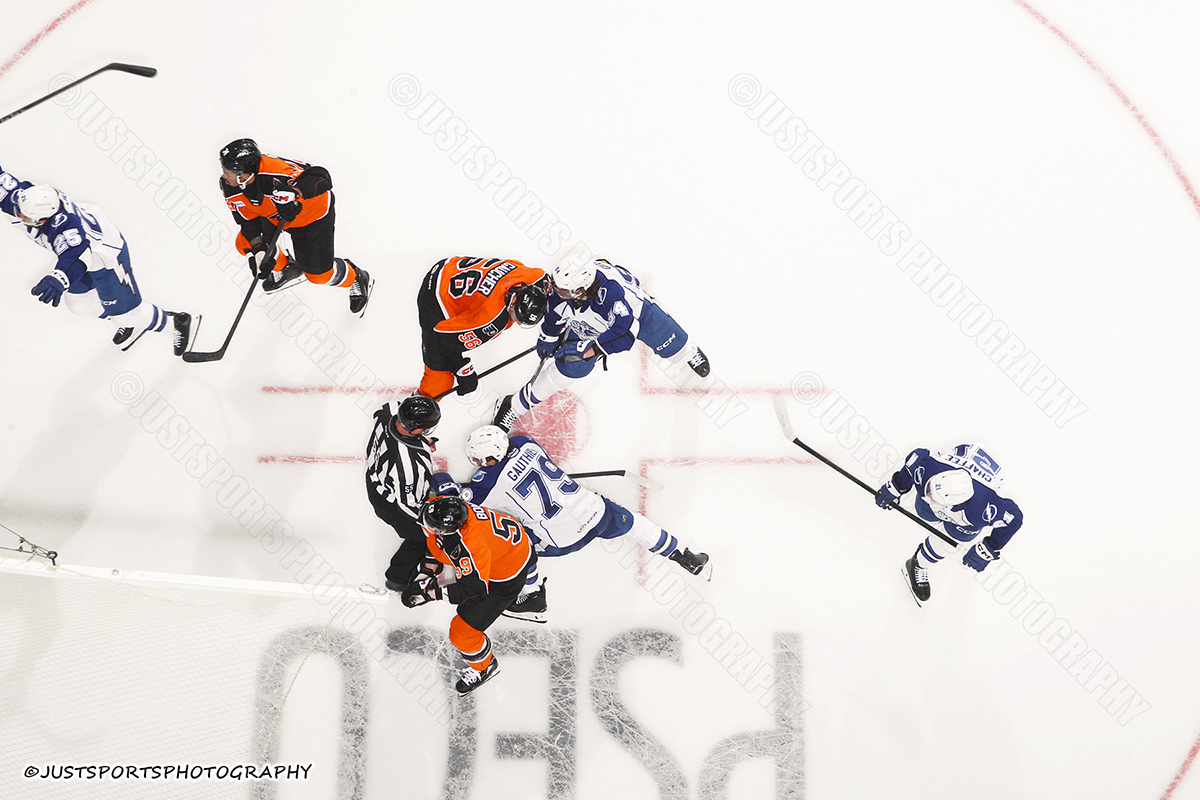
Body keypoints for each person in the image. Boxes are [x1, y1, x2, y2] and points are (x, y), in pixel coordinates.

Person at [447, 425, 711, 622]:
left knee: (514, 541)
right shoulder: (526, 443)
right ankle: (684, 556)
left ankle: (533, 593)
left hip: (561, 539)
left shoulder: (485, 483)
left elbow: (460, 504)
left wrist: (444, 484)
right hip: (593, 511)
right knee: (634, 525)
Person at [492, 257, 710, 431]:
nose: (556, 293)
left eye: (563, 290)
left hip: (633, 315)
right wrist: (548, 340)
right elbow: (553, 317)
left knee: (668, 337)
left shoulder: (612, 294)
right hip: (587, 320)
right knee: (572, 364)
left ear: (581, 289)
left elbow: (624, 334)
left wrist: (591, 350)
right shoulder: (564, 293)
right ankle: (515, 405)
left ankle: (688, 353)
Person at [1, 171, 194, 355]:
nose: (19, 215)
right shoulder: (28, 201)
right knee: (80, 305)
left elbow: (77, 255)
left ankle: (176, 322)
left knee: (125, 315)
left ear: (43, 219)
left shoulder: (66, 229)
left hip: (105, 256)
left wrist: (59, 278)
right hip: (81, 253)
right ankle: (128, 318)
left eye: (25, 216)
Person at [400, 495, 537, 695]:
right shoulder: (446, 507)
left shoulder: (471, 544)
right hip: (517, 546)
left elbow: (473, 588)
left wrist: (429, 593)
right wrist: (431, 565)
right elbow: (436, 533)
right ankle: (535, 590)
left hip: (505, 578)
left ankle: (485, 667)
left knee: (462, 633)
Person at [218, 138, 372, 315]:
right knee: (245, 243)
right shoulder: (229, 186)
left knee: (319, 276)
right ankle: (287, 267)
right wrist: (259, 251)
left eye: (228, 172)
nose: (224, 176)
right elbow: (247, 221)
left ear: (245, 173)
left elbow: (322, 176)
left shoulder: (276, 173)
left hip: (311, 217)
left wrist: (294, 193)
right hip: (273, 215)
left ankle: (356, 277)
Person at [875, 443, 1024, 606]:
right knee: (923, 509)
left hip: (973, 502)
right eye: (931, 489)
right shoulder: (929, 470)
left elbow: (1014, 519)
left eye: (935, 497)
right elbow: (915, 457)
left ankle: (918, 563)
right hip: (954, 471)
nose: (928, 495)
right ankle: (936, 525)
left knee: (955, 538)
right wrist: (897, 486)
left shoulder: (981, 508)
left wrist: (989, 548)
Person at [416, 256, 548, 399]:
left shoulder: (535, 278)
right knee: (439, 385)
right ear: (514, 300)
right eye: (516, 317)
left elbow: (559, 290)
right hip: (436, 298)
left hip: (450, 268)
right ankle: (406, 417)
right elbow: (443, 338)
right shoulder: (491, 319)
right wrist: (463, 370)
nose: (515, 321)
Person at [365, 395, 443, 591]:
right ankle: (397, 579)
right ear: (413, 428)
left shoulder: (389, 410)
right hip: (390, 500)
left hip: (375, 476)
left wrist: (422, 441)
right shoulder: (409, 469)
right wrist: (429, 526)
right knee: (421, 536)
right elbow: (408, 505)